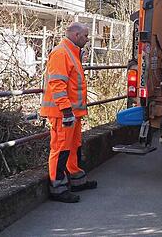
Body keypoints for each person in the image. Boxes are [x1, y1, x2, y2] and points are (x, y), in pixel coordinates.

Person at [40, 22, 98, 203]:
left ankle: (76, 179)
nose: (87, 40)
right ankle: (57, 188)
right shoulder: (61, 53)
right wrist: (66, 110)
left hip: (72, 113)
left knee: (73, 147)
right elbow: (57, 85)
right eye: (85, 36)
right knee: (61, 149)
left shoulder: (71, 53)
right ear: (75, 35)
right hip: (63, 113)